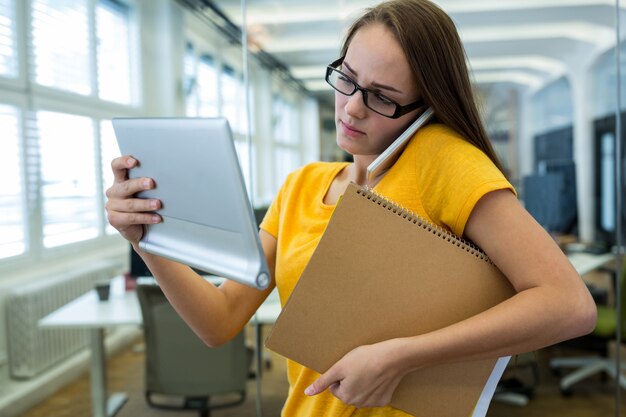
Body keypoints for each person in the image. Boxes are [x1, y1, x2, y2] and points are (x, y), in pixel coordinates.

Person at [105, 1, 597, 416]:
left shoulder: (441, 162)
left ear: (426, 106)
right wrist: (149, 238)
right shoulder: (302, 186)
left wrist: (401, 357)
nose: (352, 107)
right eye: (347, 78)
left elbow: (568, 305)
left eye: (382, 97)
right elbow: (219, 321)